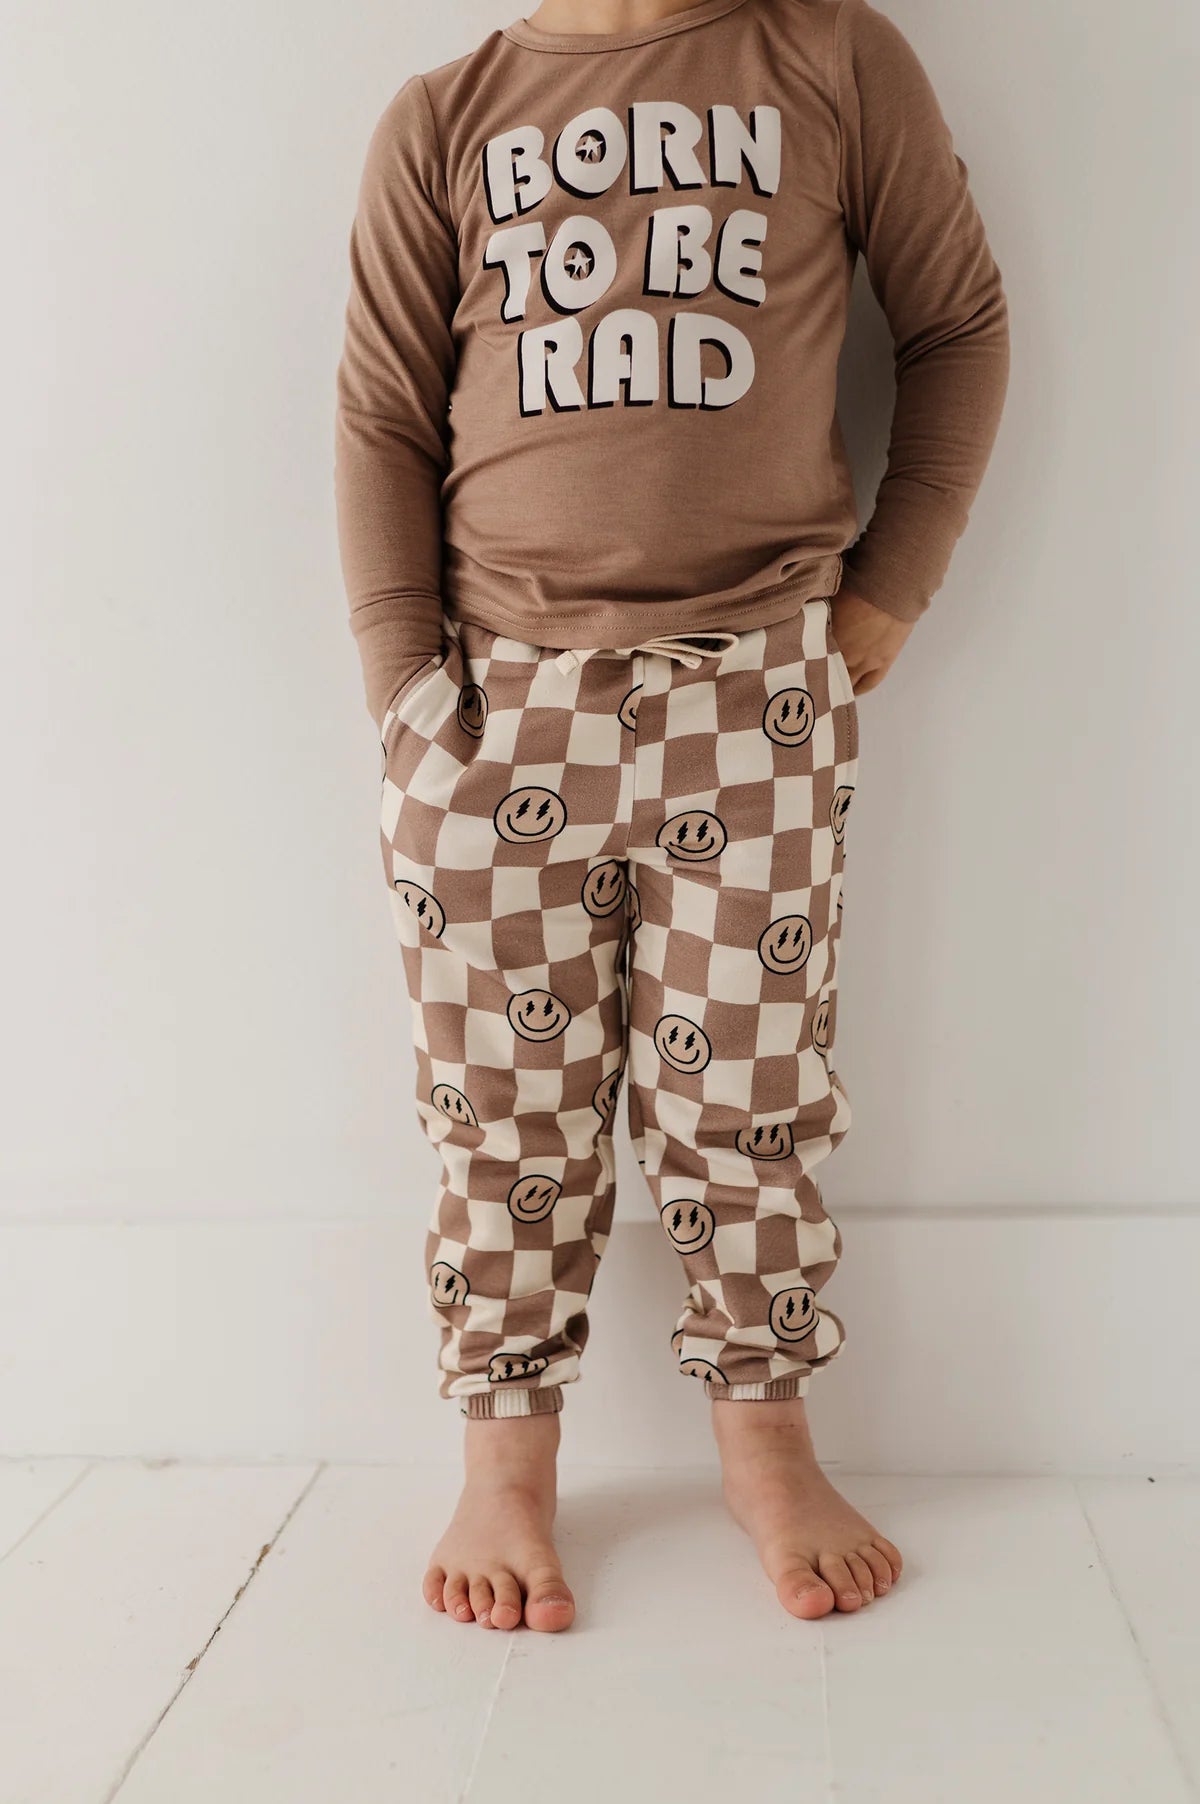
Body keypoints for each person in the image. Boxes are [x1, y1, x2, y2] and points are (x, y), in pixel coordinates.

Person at [334, 0, 1008, 1631]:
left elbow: (959, 327)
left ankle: (767, 1443)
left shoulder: (832, 59)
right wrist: (405, 687)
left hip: (753, 695)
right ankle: (506, 1463)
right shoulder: (444, 117)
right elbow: (384, 414)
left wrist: (891, 592)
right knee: (505, 1119)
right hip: (495, 709)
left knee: (750, 1102)